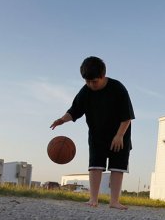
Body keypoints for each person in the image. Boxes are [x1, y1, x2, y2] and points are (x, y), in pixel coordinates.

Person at [51, 56, 135, 210]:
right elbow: (75, 110)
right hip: (97, 134)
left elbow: (127, 116)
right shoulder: (86, 91)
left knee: (117, 167)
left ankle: (114, 201)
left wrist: (119, 135)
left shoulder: (118, 89)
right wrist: (62, 120)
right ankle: (93, 199)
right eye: (87, 81)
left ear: (103, 76)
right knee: (95, 166)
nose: (90, 84)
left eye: (94, 81)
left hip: (119, 134)